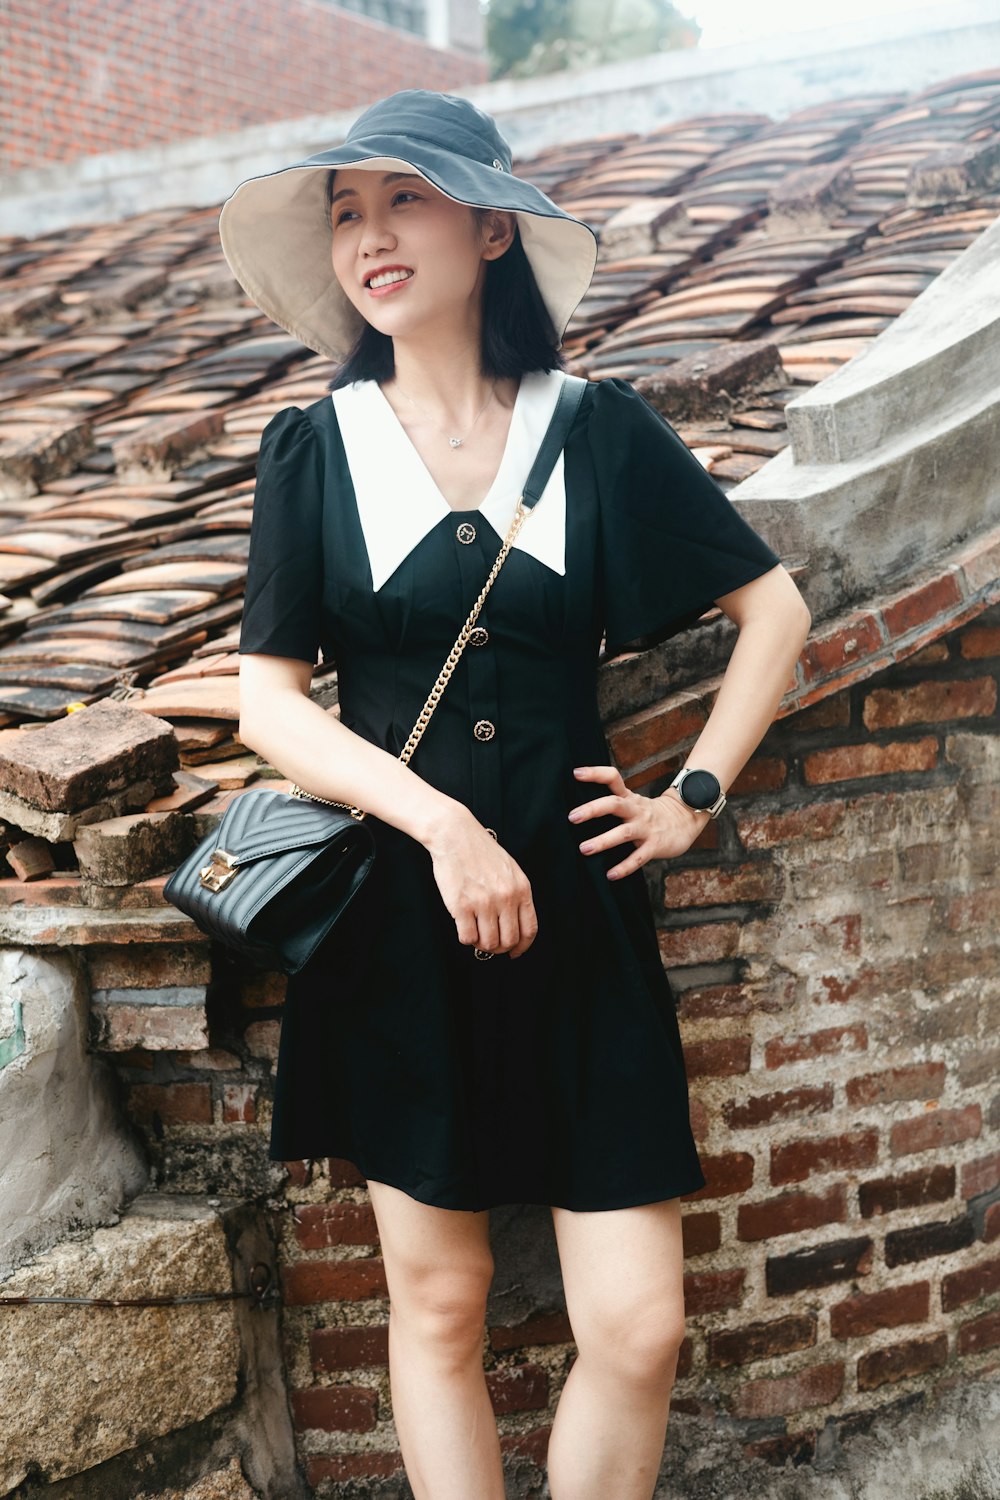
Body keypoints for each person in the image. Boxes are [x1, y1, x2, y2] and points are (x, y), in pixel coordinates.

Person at [223, 89, 810, 1500]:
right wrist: (442, 823)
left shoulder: (594, 431)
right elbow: (266, 703)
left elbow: (773, 610)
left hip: (586, 924)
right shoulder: (318, 450)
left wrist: (692, 801)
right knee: (435, 1310)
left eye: (402, 201)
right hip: (400, 929)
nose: (369, 235)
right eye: (347, 211)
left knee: (639, 1324)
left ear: (492, 227)